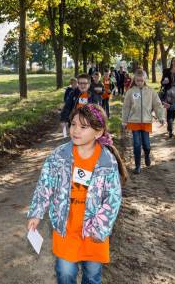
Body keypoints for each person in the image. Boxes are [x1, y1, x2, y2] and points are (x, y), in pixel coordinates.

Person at [27, 104, 128, 284]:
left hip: (93, 232)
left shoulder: (107, 161)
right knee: (65, 273)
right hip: (66, 230)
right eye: (73, 124)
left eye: (83, 126)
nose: (75, 130)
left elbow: (113, 197)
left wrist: (99, 228)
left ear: (98, 132)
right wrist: (36, 212)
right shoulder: (59, 156)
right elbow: (45, 185)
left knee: (92, 275)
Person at [121, 69, 166, 174]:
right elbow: (126, 107)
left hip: (146, 121)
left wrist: (161, 117)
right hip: (134, 122)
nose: (139, 82)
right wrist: (124, 121)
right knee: (136, 144)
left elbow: (157, 105)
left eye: (141, 80)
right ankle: (137, 166)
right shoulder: (130, 92)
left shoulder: (150, 91)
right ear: (134, 80)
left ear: (145, 79)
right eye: (137, 80)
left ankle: (147, 155)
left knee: (146, 145)